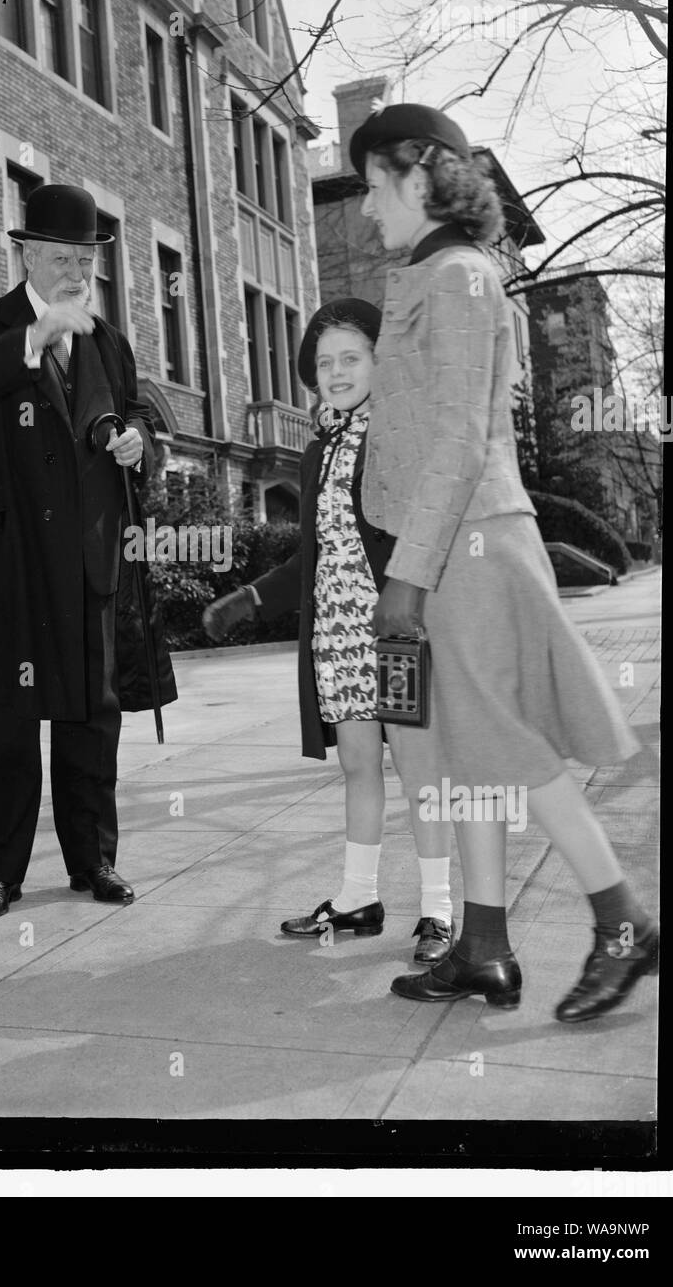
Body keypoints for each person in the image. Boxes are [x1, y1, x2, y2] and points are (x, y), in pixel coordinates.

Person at [350, 103, 658, 1020]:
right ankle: (483, 950)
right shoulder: (438, 274)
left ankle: (624, 920)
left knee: (507, 744)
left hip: (465, 548)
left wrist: (405, 571)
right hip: (449, 545)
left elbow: (453, 439)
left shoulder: (455, 277)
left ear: (417, 174)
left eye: (371, 186)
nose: (366, 209)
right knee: (471, 752)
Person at [0, 184, 175, 921]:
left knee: (92, 720)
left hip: (90, 563)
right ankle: (0, 874)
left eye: (87, 259)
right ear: (27, 253)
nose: (77, 272)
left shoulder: (109, 343)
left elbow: (132, 414)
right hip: (10, 566)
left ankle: (93, 860)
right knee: (7, 726)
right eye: (62, 257)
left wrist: (140, 444)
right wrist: (31, 342)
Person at [203, 300, 455, 965]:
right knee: (357, 766)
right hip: (337, 637)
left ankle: (436, 911)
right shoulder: (320, 449)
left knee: (417, 769)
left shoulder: (398, 436)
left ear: (379, 361)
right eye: (324, 363)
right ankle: (357, 899)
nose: (336, 371)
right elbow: (313, 555)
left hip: (394, 629)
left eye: (351, 357)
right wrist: (251, 597)